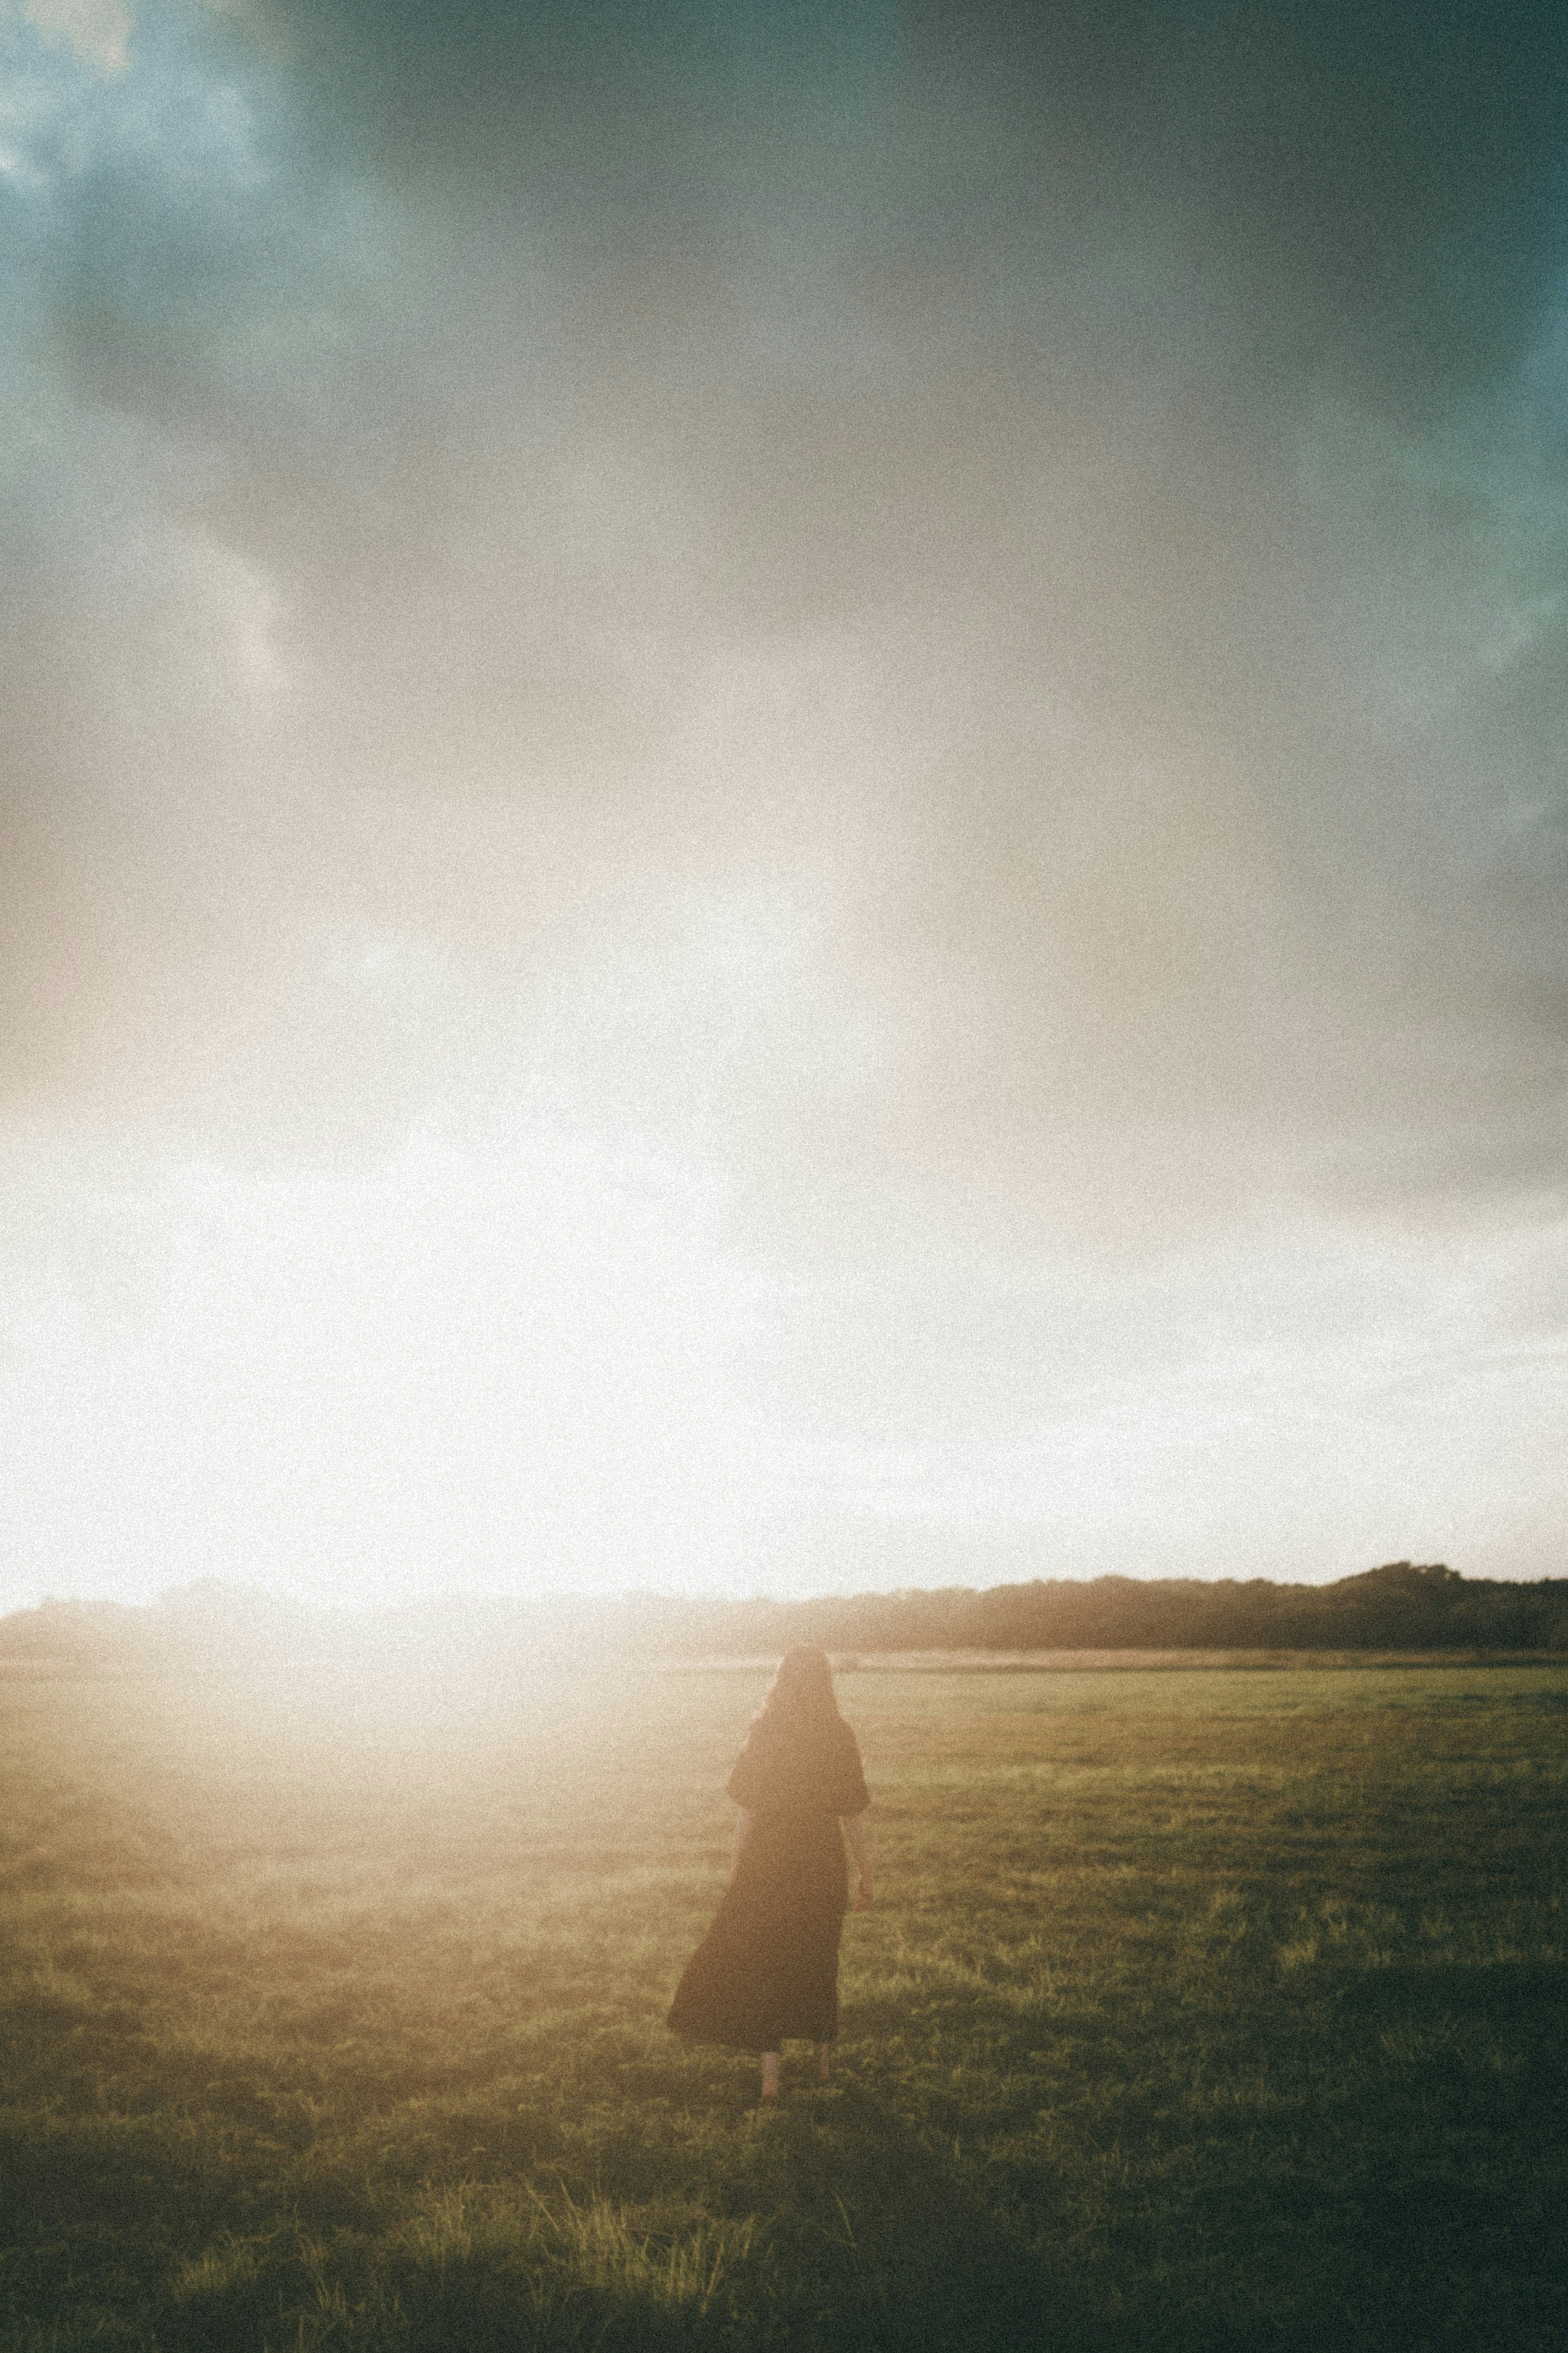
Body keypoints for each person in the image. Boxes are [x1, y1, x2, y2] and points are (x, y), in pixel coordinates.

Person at [667, 1644, 872, 2102]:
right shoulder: (838, 1734)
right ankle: (822, 2070)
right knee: (820, 1958)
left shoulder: (767, 1731)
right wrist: (866, 1870)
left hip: (770, 1860)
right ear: (826, 1682)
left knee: (769, 1962)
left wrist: (739, 1864)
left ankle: (771, 2084)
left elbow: (748, 1810)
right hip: (822, 1860)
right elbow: (852, 1812)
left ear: (782, 1680)